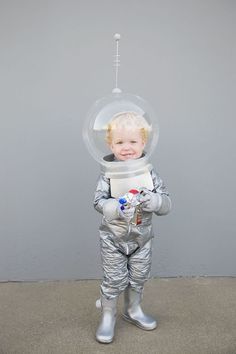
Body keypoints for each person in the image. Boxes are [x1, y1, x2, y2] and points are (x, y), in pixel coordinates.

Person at [93, 111, 171, 343]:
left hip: (142, 238)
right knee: (113, 279)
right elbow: (97, 201)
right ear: (110, 144)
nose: (126, 147)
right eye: (119, 142)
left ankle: (132, 309)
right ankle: (108, 315)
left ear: (143, 142)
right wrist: (115, 207)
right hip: (113, 239)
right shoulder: (108, 174)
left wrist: (155, 201)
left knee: (138, 275)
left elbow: (166, 202)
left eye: (133, 141)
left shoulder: (149, 172)